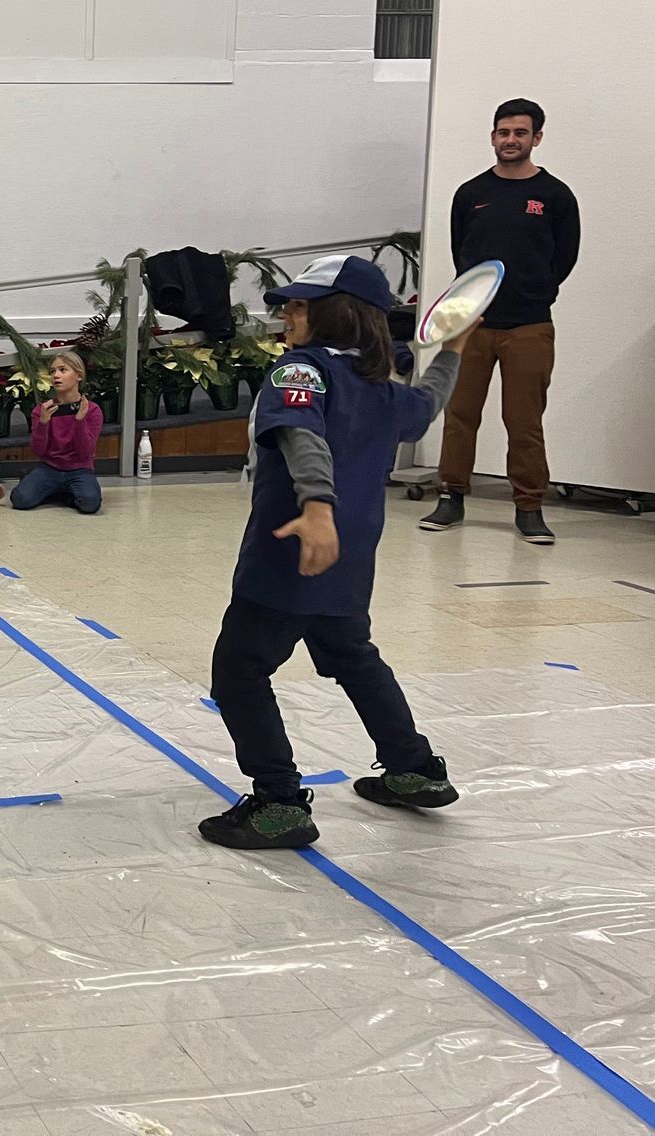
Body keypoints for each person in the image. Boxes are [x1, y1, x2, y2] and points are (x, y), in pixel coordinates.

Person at [198, 255, 473, 851]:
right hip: (348, 564)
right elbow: (425, 405)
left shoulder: (302, 370)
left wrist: (316, 506)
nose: (286, 315)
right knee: (353, 656)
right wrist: (453, 351)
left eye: (298, 305)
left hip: (291, 553)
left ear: (334, 314)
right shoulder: (380, 388)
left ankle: (278, 802)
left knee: (239, 670)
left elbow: (303, 436)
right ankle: (413, 769)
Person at [423, 97, 580, 545]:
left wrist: (535, 291)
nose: (510, 140)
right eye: (503, 132)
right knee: (459, 413)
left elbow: (564, 258)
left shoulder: (555, 196)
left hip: (529, 324)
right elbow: (462, 255)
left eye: (520, 133)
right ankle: (451, 495)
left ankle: (529, 506)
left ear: (537, 138)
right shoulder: (471, 194)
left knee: (524, 419)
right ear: (493, 136)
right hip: (471, 324)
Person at [9, 353, 102, 515]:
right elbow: (38, 450)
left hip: (79, 469)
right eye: (52, 371)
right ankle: (48, 487)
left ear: (78, 376)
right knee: (20, 500)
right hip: (49, 468)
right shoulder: (42, 410)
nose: (56, 376)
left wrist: (79, 422)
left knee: (90, 504)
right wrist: (43, 423)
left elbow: (84, 453)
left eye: (62, 370)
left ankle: (59, 495)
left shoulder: (92, 410)